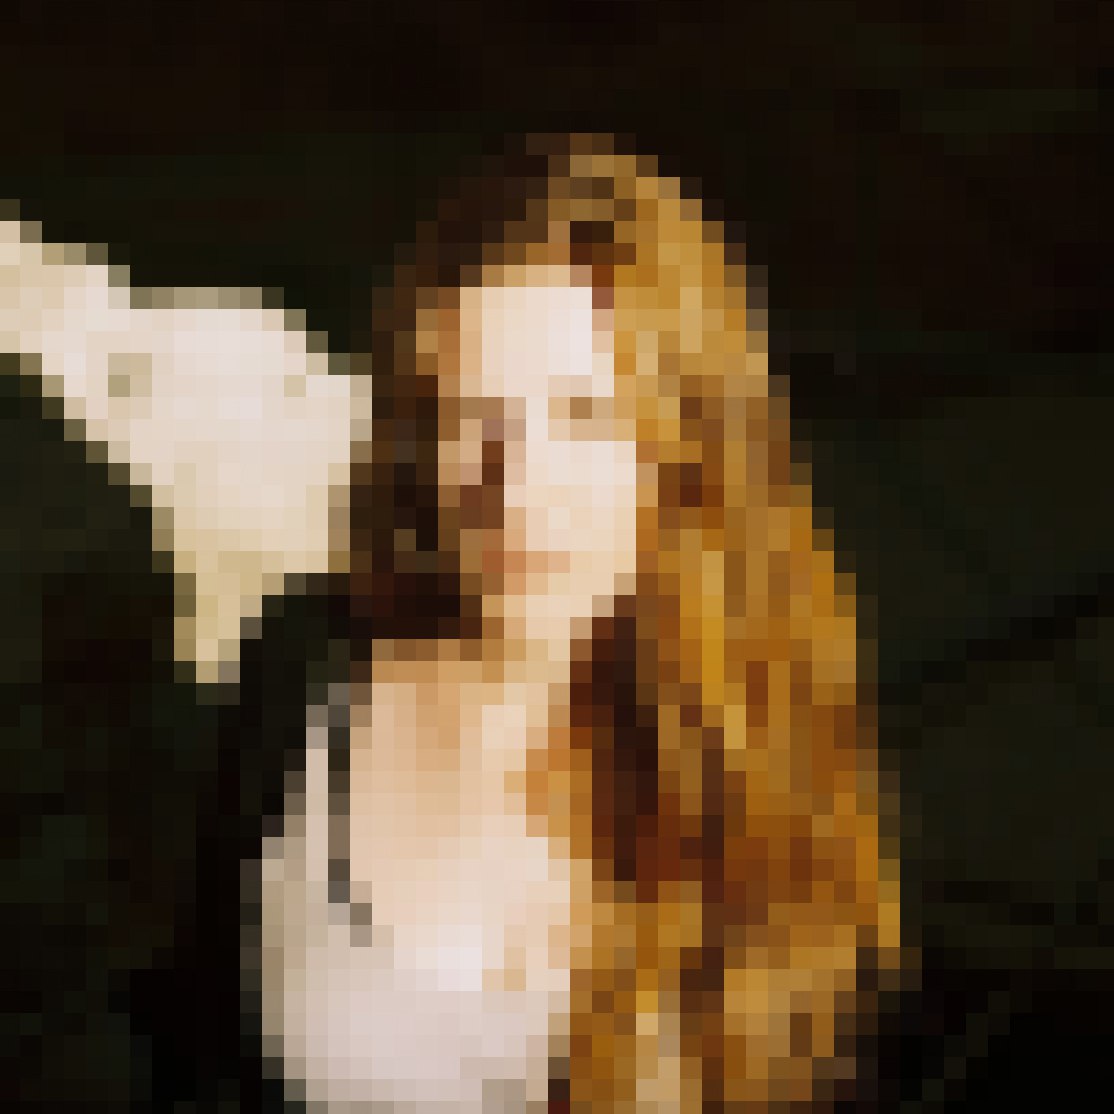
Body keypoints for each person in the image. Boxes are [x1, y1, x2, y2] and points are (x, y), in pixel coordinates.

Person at [255, 133, 899, 1110]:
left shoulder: (764, 764)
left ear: (686, 441)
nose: (515, 486)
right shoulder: (295, 689)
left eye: (585, 415)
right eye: (471, 415)